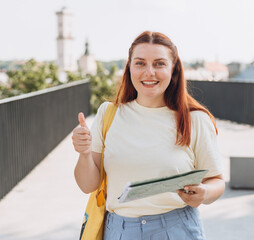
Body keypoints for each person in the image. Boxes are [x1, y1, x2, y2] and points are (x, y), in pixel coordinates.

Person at [72, 31, 225, 240]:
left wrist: (204, 193)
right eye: (140, 63)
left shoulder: (195, 119)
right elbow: (87, 185)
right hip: (119, 231)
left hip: (177, 229)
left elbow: (216, 181)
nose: (149, 72)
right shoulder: (108, 114)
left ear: (174, 70)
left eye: (159, 64)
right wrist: (84, 153)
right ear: (129, 68)